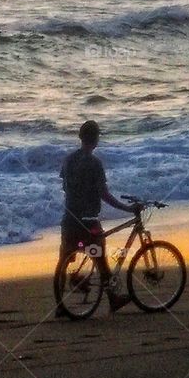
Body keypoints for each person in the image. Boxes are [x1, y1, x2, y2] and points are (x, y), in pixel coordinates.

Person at [58, 120, 138, 315]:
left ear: (80, 137)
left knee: (64, 259)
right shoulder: (95, 163)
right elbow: (104, 193)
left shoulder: (68, 160)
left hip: (69, 217)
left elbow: (64, 186)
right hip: (88, 220)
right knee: (100, 257)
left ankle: (60, 306)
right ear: (96, 139)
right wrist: (126, 208)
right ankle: (113, 298)